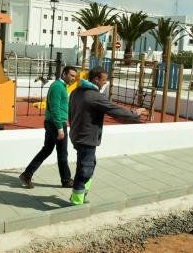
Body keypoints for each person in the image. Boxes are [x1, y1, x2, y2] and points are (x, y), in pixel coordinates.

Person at [68, 66, 145, 205]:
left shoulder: (76, 92)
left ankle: (81, 195)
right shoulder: (93, 95)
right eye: (104, 80)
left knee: (89, 163)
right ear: (96, 79)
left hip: (77, 135)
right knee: (85, 167)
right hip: (86, 138)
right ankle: (77, 200)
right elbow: (114, 109)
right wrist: (135, 113)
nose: (105, 82)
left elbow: (70, 113)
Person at [19, 66, 78, 189]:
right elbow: (55, 107)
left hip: (52, 122)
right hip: (56, 124)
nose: (73, 78)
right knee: (62, 153)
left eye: (74, 76)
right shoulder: (58, 87)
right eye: (71, 75)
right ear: (63, 74)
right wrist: (60, 128)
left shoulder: (60, 86)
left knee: (47, 150)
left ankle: (27, 174)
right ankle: (66, 180)